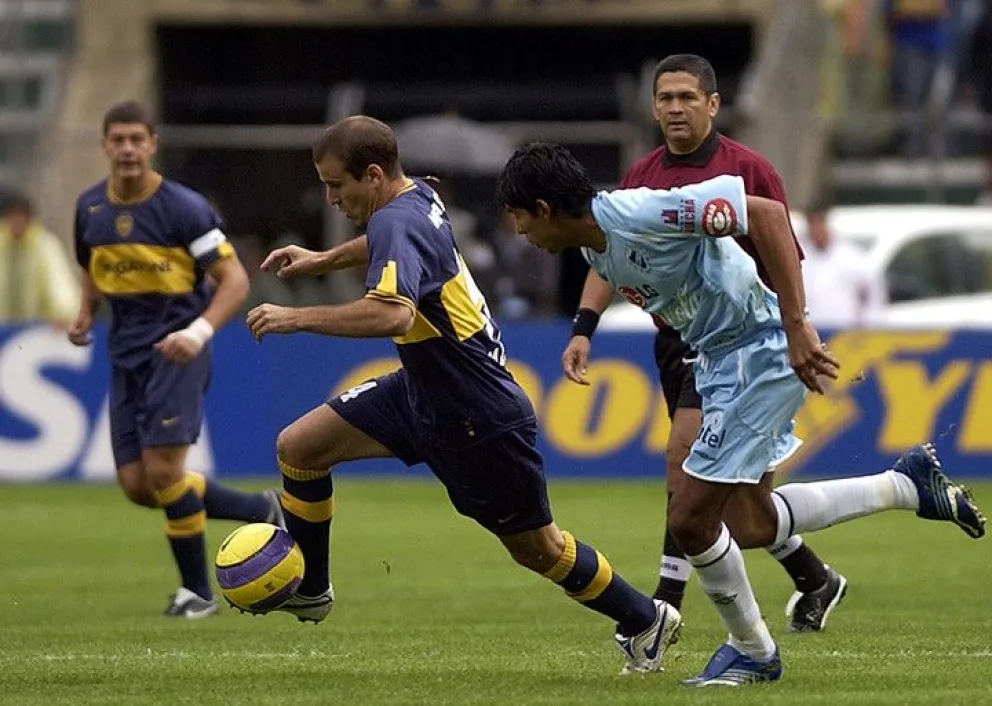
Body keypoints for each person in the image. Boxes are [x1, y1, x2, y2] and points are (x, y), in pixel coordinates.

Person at [496, 141, 985, 686]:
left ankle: (752, 649)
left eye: (517, 216)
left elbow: (769, 214)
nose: (517, 230)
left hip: (759, 349)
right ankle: (906, 486)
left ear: (543, 208)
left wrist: (797, 326)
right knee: (747, 523)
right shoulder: (595, 245)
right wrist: (585, 328)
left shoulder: (643, 210)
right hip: (719, 360)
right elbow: (623, 267)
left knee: (689, 518)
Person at [244, 115, 683, 675]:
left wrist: (295, 317)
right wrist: (324, 259)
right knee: (300, 448)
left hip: (478, 413)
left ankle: (645, 618)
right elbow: (392, 247)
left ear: (374, 175)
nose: (330, 197)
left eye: (336, 185)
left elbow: (392, 312)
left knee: (539, 549)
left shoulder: (397, 221)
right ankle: (312, 587)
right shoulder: (420, 196)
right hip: (423, 389)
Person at [563, 53, 845, 633]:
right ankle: (815, 576)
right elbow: (608, 256)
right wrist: (583, 329)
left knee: (684, 469)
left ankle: (666, 603)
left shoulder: (750, 171)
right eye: (665, 98)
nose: (675, 108)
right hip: (677, 340)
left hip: (741, 340)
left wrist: (795, 328)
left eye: (687, 97)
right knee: (733, 500)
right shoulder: (642, 177)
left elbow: (782, 250)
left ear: (713, 105)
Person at [67, 100, 284, 618]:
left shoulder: (185, 208)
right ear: (104, 145)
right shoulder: (90, 208)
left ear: (152, 144)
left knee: (166, 473)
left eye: (136, 139)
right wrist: (82, 314)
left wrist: (199, 331)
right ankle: (258, 508)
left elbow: (234, 281)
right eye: (117, 139)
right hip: (126, 357)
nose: (126, 149)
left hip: (176, 351)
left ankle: (197, 594)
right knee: (140, 487)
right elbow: (94, 266)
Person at [801, 205, 885, 328]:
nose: (816, 229)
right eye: (812, 224)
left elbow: (871, 296)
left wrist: (867, 326)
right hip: (811, 329)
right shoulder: (801, 259)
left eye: (820, 223)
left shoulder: (852, 258)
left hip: (845, 332)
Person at [0, 194, 79, 325]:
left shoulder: (44, 244)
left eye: (20, 217)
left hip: (36, 328)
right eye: (11, 217)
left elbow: (59, 281)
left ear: (29, 219)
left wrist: (64, 312)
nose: (15, 222)